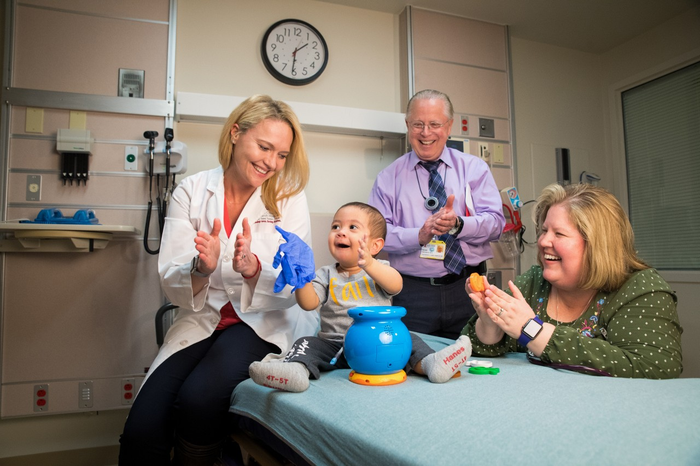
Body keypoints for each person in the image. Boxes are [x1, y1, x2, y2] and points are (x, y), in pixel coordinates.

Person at [119, 95, 320, 465]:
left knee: (199, 399)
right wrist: (201, 267)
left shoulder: (289, 198)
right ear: (235, 133)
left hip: (260, 321)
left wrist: (254, 268)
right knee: (142, 430)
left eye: (281, 154)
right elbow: (169, 278)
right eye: (264, 147)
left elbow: (297, 284)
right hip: (202, 318)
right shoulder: (191, 191)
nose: (271, 163)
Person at [464, 183, 683, 379]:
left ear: (597, 245)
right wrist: (490, 323)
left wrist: (532, 330)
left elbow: (656, 367)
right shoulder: (534, 282)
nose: (543, 241)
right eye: (544, 231)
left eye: (559, 234)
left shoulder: (641, 289)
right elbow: (474, 349)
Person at [249, 202, 472, 392]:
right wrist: (301, 279)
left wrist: (371, 265)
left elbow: (396, 285)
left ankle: (431, 364)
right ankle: (295, 371)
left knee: (410, 340)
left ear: (375, 245)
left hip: (378, 343)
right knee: (306, 343)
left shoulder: (380, 269)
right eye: (335, 226)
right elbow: (309, 304)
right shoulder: (326, 274)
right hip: (335, 345)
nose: (341, 232)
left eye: (352, 227)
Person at [368, 89, 505, 339]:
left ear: (449, 125)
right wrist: (418, 235)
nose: (426, 133)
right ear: (408, 126)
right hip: (411, 293)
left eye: (434, 124)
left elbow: (496, 225)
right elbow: (374, 237)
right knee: (412, 367)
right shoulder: (388, 178)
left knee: (475, 365)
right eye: (418, 124)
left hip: (469, 288)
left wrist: (459, 224)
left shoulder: (474, 169)